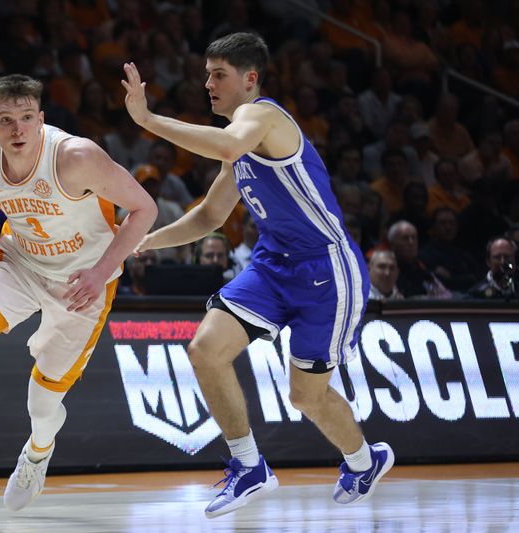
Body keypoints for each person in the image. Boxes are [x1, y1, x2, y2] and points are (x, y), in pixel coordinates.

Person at [122, 32, 393, 518]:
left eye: (218, 75)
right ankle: (249, 467)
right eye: (206, 74)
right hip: (273, 265)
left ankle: (363, 459)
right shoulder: (240, 147)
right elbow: (208, 217)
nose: (208, 83)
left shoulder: (263, 116)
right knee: (205, 349)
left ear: (250, 79)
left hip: (326, 269)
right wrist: (146, 241)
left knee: (305, 396)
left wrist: (146, 120)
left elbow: (227, 144)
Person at [0, 74, 157, 517]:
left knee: (42, 403)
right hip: (18, 264)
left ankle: (38, 453)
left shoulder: (76, 157)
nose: (17, 130)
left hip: (83, 282)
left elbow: (144, 208)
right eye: (6, 120)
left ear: (41, 119)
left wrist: (100, 272)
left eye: (26, 118)